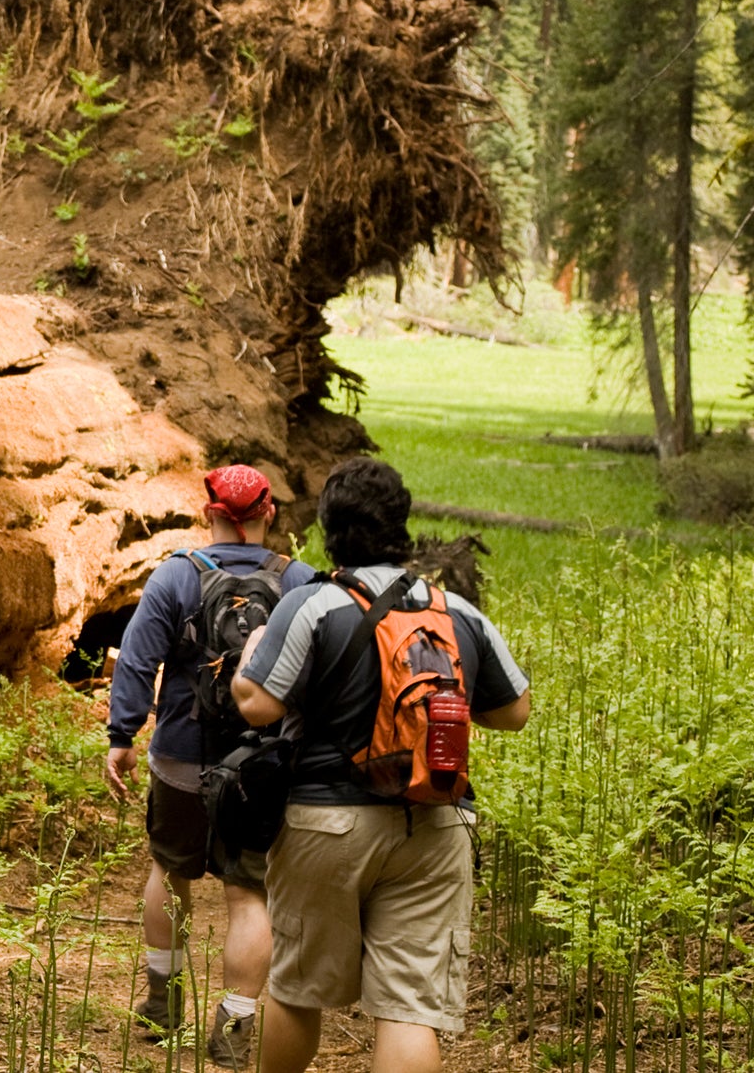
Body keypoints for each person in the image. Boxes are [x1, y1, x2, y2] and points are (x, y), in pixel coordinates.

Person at [232, 457, 533, 1073]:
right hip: (434, 823)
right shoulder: (460, 613)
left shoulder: (313, 605)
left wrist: (249, 658)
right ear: (402, 526)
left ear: (328, 530)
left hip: (324, 824)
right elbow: (514, 712)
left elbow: (259, 707)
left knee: (296, 988)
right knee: (410, 1008)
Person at [105, 464, 314, 1068]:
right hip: (261, 769)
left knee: (170, 873)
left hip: (180, 758)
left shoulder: (176, 576)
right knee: (249, 896)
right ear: (268, 513)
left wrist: (122, 735)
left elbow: (138, 663)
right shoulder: (296, 582)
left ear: (209, 514)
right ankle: (232, 1032)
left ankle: (163, 1005)